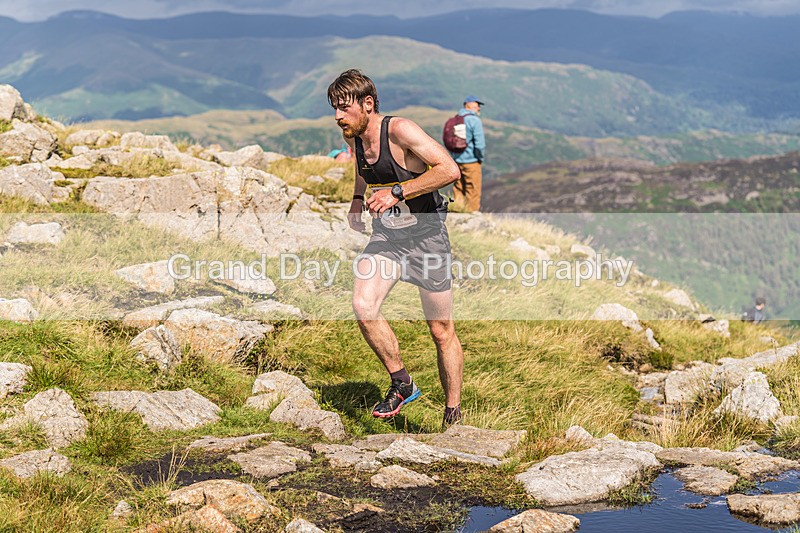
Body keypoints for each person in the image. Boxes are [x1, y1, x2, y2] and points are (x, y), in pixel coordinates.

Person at [327, 69, 465, 428]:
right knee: (363, 304)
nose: (338, 116)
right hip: (388, 237)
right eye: (334, 109)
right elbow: (362, 166)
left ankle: (452, 414)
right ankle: (402, 382)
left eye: (344, 108)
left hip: (427, 238)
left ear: (367, 104)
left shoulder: (400, 130)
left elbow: (449, 170)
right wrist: (358, 200)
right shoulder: (354, 137)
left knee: (441, 330)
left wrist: (398, 192)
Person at [449, 95, 486, 212]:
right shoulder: (474, 121)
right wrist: (479, 158)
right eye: (477, 105)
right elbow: (480, 145)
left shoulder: (455, 120)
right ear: (468, 105)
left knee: (458, 188)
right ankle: (472, 215)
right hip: (471, 161)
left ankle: (457, 211)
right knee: (473, 189)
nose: (479, 108)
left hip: (456, 160)